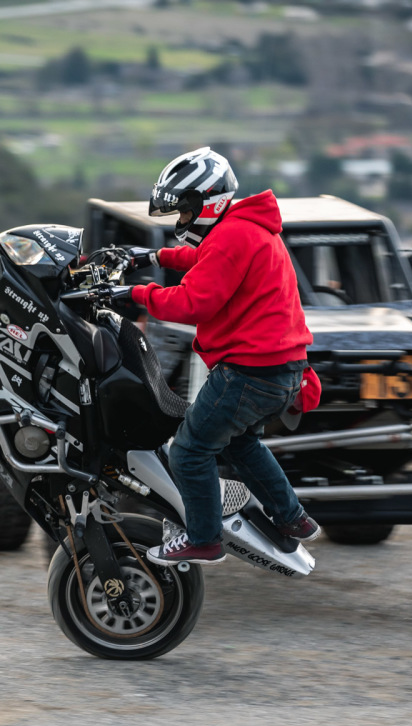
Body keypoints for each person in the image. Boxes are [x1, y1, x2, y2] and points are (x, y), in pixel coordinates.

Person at [124, 147, 320, 566]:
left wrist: (135, 295)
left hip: (248, 373)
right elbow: (204, 259)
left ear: (207, 202)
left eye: (184, 211)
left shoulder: (233, 235)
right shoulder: (246, 229)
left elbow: (194, 303)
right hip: (283, 371)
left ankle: (203, 538)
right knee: (242, 443)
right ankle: (293, 518)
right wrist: (152, 256)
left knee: (188, 451)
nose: (181, 221)